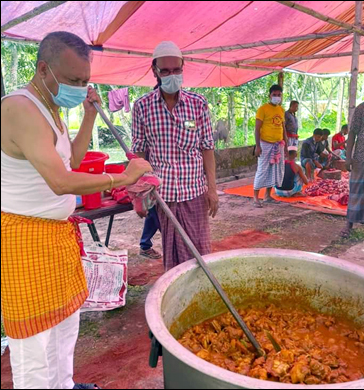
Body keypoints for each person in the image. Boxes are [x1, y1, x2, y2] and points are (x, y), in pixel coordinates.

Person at [1, 31, 152, 389]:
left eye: (85, 81)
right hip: (24, 237)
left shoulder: (51, 108)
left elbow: (75, 162)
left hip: (56, 233)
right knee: (35, 342)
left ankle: (65, 386)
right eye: (73, 80)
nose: (81, 87)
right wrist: (120, 178)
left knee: (65, 323)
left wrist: (88, 118)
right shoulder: (19, 108)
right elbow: (61, 181)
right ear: (43, 69)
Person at [132, 41, 218, 271]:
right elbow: (140, 152)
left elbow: (207, 148)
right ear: (155, 71)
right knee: (173, 252)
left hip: (195, 191)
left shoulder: (197, 104)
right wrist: (140, 192)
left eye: (176, 70)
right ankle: (177, 298)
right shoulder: (142, 106)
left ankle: (202, 292)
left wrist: (212, 188)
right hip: (165, 193)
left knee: (199, 251)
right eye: (166, 71)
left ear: (183, 67)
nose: (172, 75)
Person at [343, 99, 364, 237]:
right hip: (361, 156)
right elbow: (352, 133)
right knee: (357, 189)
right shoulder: (362, 108)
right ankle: (349, 222)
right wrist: (348, 158)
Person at [253, 84, 288, 207]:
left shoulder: (281, 110)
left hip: (278, 145)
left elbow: (283, 128)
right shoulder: (263, 109)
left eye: (279, 95)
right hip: (265, 144)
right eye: (274, 95)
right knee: (262, 169)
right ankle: (256, 197)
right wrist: (258, 146)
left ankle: (268, 196)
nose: (277, 97)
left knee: (274, 170)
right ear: (269, 95)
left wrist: (286, 145)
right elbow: (257, 129)